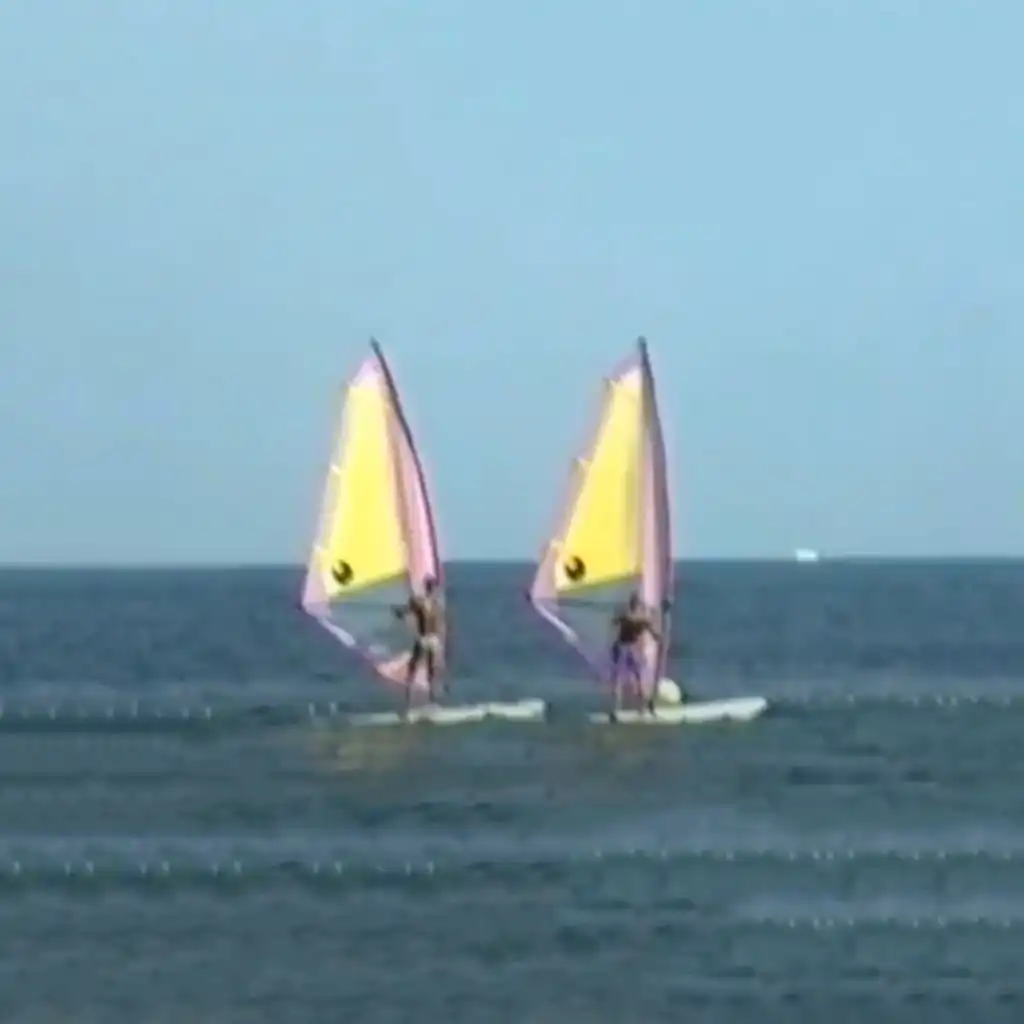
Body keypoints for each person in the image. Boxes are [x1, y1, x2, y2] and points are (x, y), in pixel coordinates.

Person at [393, 575, 445, 707]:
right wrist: (399, 612)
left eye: (433, 587)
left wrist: (441, 638)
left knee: (432, 669)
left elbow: (440, 623)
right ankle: (409, 702)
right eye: (431, 587)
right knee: (414, 668)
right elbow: (407, 610)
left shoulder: (435, 603)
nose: (432, 589)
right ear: (428, 587)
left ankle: (432, 700)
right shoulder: (420, 602)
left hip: (433, 639)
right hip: (425, 639)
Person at [609, 592, 661, 715]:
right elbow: (654, 634)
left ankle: (616, 710)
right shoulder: (641, 619)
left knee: (619, 680)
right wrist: (657, 636)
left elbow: (614, 622)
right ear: (637, 605)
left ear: (631, 604)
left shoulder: (627, 617)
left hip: (623, 648)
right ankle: (646, 708)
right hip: (630, 650)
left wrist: (617, 616)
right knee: (639, 679)